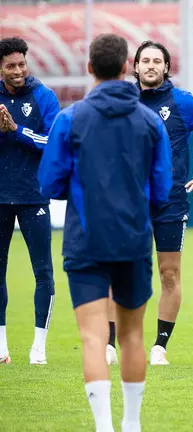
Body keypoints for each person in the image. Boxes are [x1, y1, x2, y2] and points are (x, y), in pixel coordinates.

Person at [37, 33, 173, 432]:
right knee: (132, 336)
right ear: (127, 66)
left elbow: (49, 183)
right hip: (132, 240)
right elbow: (162, 189)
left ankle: (104, 427)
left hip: (85, 241)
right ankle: (131, 424)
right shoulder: (149, 121)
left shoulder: (70, 118)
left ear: (91, 69)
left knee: (94, 338)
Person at [132, 40, 193, 365]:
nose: (150, 65)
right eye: (144, 60)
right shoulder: (122, 102)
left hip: (170, 203)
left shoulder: (182, 102)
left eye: (156, 61)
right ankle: (110, 342)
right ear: (135, 67)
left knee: (169, 274)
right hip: (129, 203)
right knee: (124, 270)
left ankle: (159, 346)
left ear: (165, 68)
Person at [0, 36, 59, 365]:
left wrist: (16, 130)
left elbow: (52, 141)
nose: (18, 70)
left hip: (34, 196)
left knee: (43, 272)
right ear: (1, 68)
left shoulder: (43, 96)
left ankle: (39, 346)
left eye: (22, 64)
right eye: (11, 66)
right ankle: (1, 345)